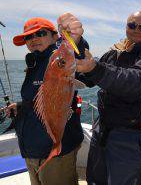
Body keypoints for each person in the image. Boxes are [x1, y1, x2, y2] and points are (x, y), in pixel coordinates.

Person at [76, 11, 141, 185]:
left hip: (129, 135)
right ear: (126, 27)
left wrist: (95, 68)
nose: (137, 29)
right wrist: (77, 42)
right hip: (102, 128)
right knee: (95, 179)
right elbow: (88, 76)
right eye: (132, 25)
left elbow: (134, 81)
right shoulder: (113, 53)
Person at [6, 13, 88, 185]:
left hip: (56, 151)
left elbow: (77, 55)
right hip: (30, 148)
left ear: (55, 36)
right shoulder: (34, 62)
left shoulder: (57, 57)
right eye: (29, 36)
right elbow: (40, 96)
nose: (34, 38)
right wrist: (21, 106)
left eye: (40, 33)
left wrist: (75, 38)